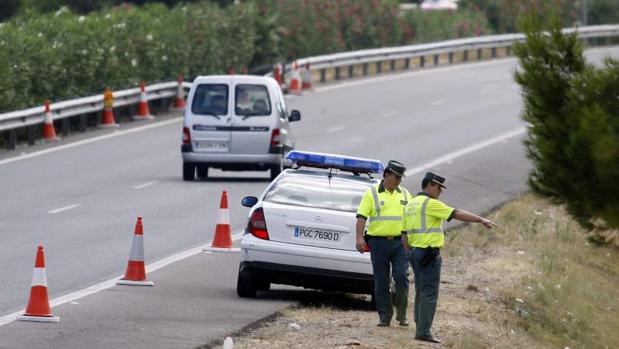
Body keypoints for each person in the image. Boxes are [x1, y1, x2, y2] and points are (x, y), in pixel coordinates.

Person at [403, 172, 496, 343]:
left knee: (420, 292)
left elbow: (403, 233)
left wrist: (408, 251)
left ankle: (420, 326)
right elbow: (456, 213)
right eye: (439, 187)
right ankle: (423, 331)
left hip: (415, 252)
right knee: (429, 293)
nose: (440, 192)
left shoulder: (411, 204)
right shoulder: (430, 204)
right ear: (430, 185)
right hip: (428, 254)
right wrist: (481, 219)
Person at [356, 160, 411, 327]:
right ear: (386, 175)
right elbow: (361, 217)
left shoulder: (405, 194)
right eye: (397, 177)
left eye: (401, 178)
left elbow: (413, 216)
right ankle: (384, 316)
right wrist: (359, 238)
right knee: (381, 281)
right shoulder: (371, 194)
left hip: (400, 243)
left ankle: (402, 314)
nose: (399, 181)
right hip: (378, 243)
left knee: (401, 277)